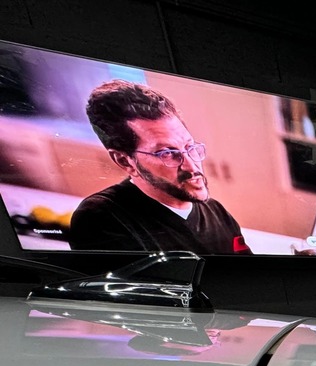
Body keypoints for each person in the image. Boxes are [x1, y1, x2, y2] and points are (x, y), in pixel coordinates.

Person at [69, 80, 253, 254]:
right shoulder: (101, 218)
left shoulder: (216, 212)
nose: (191, 166)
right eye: (167, 153)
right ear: (125, 161)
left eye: (189, 147)